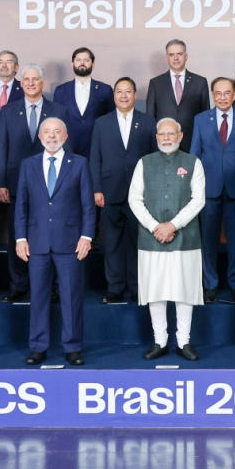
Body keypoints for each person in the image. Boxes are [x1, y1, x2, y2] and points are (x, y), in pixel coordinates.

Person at [15, 118, 95, 366]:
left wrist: (87, 236)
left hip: (71, 242)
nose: (52, 136)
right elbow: (21, 205)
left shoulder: (79, 163)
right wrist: (20, 237)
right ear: (40, 137)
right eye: (47, 132)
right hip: (36, 241)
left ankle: (72, 347)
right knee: (38, 297)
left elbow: (88, 205)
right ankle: (38, 347)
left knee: (71, 297)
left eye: (57, 132)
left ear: (65, 136)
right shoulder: (28, 164)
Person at [129, 119, 206, 361]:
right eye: (161, 134)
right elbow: (134, 199)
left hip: (186, 238)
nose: (166, 138)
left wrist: (173, 225)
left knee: (185, 291)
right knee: (156, 290)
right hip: (151, 238)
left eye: (171, 134)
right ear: (156, 137)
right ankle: (160, 341)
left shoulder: (193, 162)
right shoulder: (144, 162)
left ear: (180, 136)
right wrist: (155, 227)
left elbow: (198, 200)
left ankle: (184, 342)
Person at [0, 64, 70, 303]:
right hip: (16, 183)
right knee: (18, 234)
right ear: (21, 83)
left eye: (35, 79)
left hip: (51, 185)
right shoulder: (8, 110)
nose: (30, 83)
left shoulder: (58, 110)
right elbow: (1, 147)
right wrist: (0, 182)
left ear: (43, 83)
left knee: (50, 234)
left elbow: (66, 148)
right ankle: (19, 285)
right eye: (26, 79)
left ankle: (51, 286)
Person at [89, 78, 157, 304]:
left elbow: (154, 158)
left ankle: (138, 287)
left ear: (135, 95)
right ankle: (115, 287)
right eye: (119, 92)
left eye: (128, 92)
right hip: (110, 191)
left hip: (140, 194)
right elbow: (95, 158)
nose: (124, 96)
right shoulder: (102, 123)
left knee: (138, 242)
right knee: (112, 242)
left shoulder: (148, 122)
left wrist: (151, 191)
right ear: (114, 95)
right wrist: (97, 189)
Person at [190, 77, 235, 303]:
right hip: (208, 190)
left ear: (234, 95)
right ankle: (209, 284)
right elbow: (195, 156)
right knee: (208, 239)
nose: (222, 97)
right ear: (212, 95)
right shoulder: (201, 119)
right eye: (218, 93)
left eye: (227, 93)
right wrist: (194, 189)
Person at [144, 39, 210, 150]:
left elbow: (205, 116)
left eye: (179, 54)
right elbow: (150, 117)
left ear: (186, 56)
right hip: (164, 145)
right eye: (171, 55)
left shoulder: (200, 82)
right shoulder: (155, 83)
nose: (176, 58)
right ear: (167, 58)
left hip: (192, 144)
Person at [53, 47, 114, 156]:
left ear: (93, 64)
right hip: (68, 149)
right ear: (72, 64)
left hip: (96, 148)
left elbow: (111, 120)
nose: (82, 63)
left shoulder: (105, 89)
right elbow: (56, 121)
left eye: (86, 60)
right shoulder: (61, 90)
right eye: (78, 60)